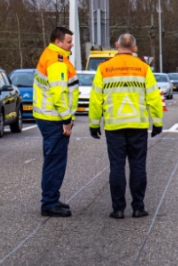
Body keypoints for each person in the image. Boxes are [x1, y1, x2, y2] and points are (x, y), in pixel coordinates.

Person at [87, 34, 164, 219]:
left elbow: (96, 99)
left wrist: (94, 123)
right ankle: (138, 207)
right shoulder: (144, 68)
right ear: (135, 48)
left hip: (114, 126)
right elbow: (154, 98)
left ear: (116, 46)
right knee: (138, 166)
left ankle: (118, 209)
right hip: (137, 126)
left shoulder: (104, 68)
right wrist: (158, 122)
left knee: (117, 167)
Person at [34, 26, 78, 217]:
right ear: (58, 42)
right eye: (69, 41)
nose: (72, 44)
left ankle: (51, 198)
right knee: (55, 162)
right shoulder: (57, 61)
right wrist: (67, 119)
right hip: (54, 118)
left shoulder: (51, 55)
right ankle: (50, 203)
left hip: (48, 116)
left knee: (53, 160)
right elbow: (58, 92)